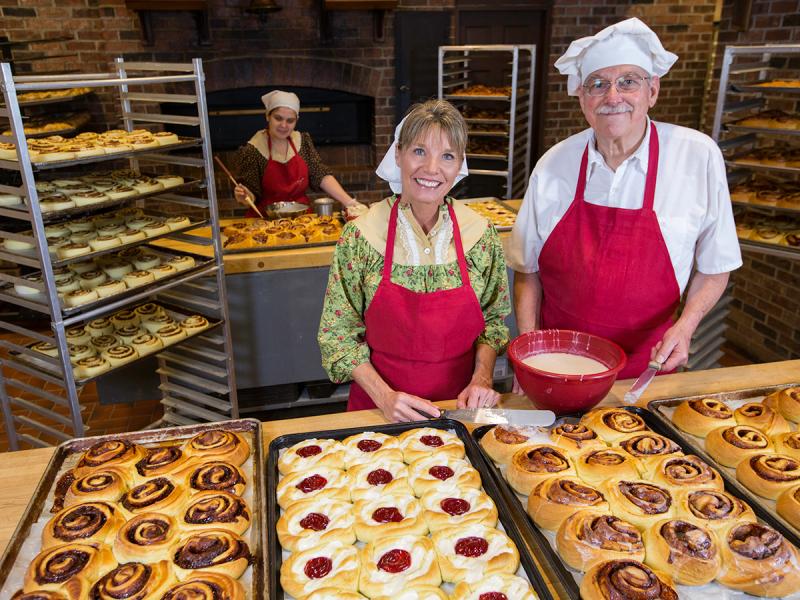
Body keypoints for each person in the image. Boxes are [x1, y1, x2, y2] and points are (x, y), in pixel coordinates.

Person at [508, 18, 742, 379]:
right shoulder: (555, 163)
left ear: (653, 91)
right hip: (556, 365)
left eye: (628, 82)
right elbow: (528, 272)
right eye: (598, 85)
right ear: (582, 97)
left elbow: (715, 267)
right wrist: (529, 352)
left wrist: (686, 325)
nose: (612, 97)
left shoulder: (696, 156)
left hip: (646, 368)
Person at [318, 99, 511, 422]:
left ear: (459, 164)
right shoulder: (360, 237)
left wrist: (482, 378)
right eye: (419, 151)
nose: (432, 169)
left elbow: (492, 322)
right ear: (398, 154)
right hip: (380, 409)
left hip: (459, 406)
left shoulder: (481, 234)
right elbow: (337, 335)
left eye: (447, 156)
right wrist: (385, 397)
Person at [232, 90, 362, 216]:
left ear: (296, 121)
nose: (284, 125)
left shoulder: (302, 142)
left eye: (290, 121)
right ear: (267, 116)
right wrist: (245, 196)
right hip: (266, 221)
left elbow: (320, 175)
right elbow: (250, 193)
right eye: (278, 118)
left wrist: (350, 202)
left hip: (302, 219)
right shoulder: (253, 149)